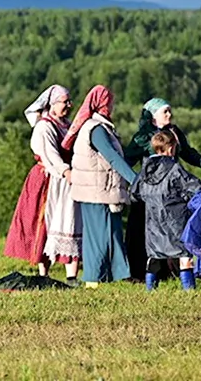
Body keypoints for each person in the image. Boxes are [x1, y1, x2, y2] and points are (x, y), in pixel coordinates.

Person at [126, 98, 201, 280]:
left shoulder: (174, 132)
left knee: (174, 232)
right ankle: (141, 274)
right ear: (153, 116)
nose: (169, 114)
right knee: (148, 235)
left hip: (171, 188)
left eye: (169, 111)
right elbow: (127, 159)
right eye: (164, 111)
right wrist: (137, 182)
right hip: (151, 191)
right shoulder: (143, 136)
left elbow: (189, 153)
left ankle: (172, 274)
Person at [5, 85, 81, 283]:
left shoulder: (66, 124)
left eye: (69, 101)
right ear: (52, 104)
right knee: (44, 222)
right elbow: (49, 154)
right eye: (65, 102)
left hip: (66, 179)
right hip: (46, 179)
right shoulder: (44, 126)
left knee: (68, 221)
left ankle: (71, 275)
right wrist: (65, 171)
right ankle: (43, 273)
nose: (69, 105)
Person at [65, 85, 137, 287]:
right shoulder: (95, 129)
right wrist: (135, 180)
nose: (111, 106)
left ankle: (113, 276)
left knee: (111, 234)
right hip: (98, 191)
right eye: (108, 102)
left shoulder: (98, 127)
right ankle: (93, 280)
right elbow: (112, 158)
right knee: (100, 236)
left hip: (100, 190)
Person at [130, 130, 201, 291]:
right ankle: (189, 291)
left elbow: (134, 194)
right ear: (171, 148)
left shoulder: (144, 170)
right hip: (176, 220)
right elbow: (196, 188)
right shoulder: (175, 169)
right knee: (184, 256)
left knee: (154, 257)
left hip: (152, 221)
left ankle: (150, 290)